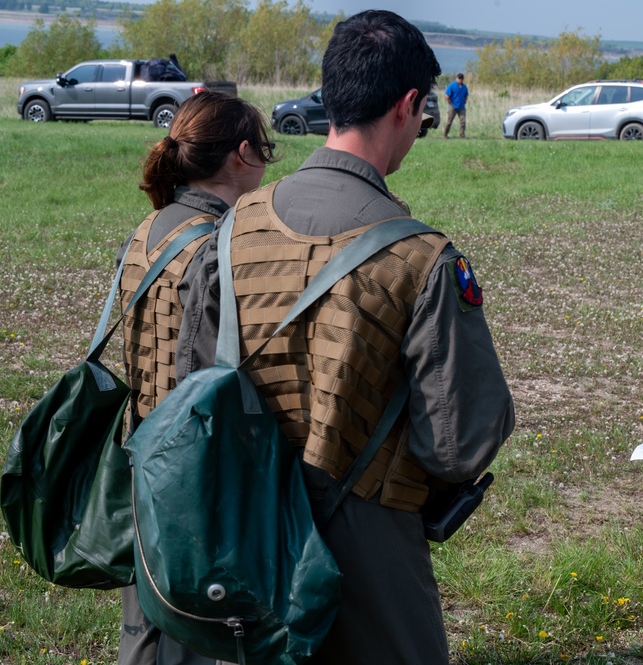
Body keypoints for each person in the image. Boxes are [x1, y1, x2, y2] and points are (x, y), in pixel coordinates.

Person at [175, 10, 515, 664]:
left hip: (241, 534)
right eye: (423, 112)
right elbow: (458, 443)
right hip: (371, 547)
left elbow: (190, 389)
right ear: (409, 104)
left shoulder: (226, 228)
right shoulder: (422, 258)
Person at [115, 90, 277, 665]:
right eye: (265, 149)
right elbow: (210, 382)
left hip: (142, 456)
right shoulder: (219, 247)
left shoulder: (147, 228)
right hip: (194, 472)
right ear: (241, 155)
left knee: (148, 621)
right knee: (200, 629)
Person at [443, 72, 468, 139]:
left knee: (463, 122)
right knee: (449, 122)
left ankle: (462, 135)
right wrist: (450, 103)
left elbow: (466, 95)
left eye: (461, 78)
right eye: (459, 78)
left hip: (461, 107)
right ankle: (445, 135)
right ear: (456, 78)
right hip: (453, 106)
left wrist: (465, 102)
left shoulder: (464, 87)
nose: (460, 80)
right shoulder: (452, 86)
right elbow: (446, 95)